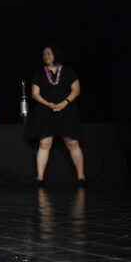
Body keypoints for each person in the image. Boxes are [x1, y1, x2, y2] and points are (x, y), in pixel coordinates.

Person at [23, 45, 86, 185]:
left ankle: (81, 176)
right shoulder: (39, 73)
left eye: (49, 53)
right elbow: (34, 93)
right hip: (46, 111)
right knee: (44, 143)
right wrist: (48, 104)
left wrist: (64, 103)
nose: (46, 56)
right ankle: (39, 178)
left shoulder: (69, 71)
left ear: (56, 55)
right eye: (44, 54)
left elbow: (76, 90)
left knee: (72, 142)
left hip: (67, 110)